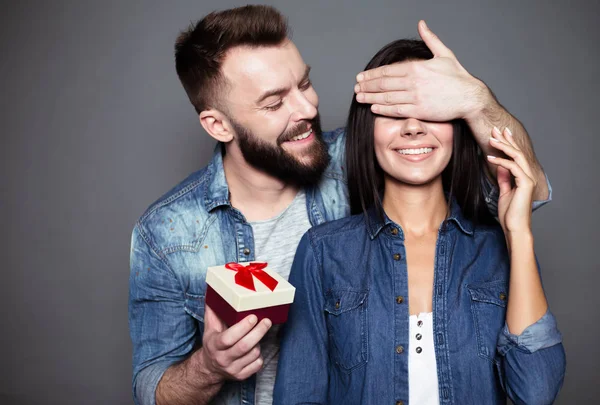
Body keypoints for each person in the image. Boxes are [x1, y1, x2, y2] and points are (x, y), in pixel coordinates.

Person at [128, 5, 552, 405]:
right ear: (218, 125)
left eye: (305, 83)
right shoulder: (167, 233)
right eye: (275, 103)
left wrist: (476, 100)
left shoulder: (366, 157)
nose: (308, 108)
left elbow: (522, 187)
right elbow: (152, 386)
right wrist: (208, 367)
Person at [273, 39, 565, 405]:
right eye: (394, 114)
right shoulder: (323, 252)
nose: (413, 127)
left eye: (430, 112)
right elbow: (299, 395)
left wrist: (518, 234)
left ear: (456, 128)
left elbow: (535, 393)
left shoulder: (499, 249)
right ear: (368, 132)